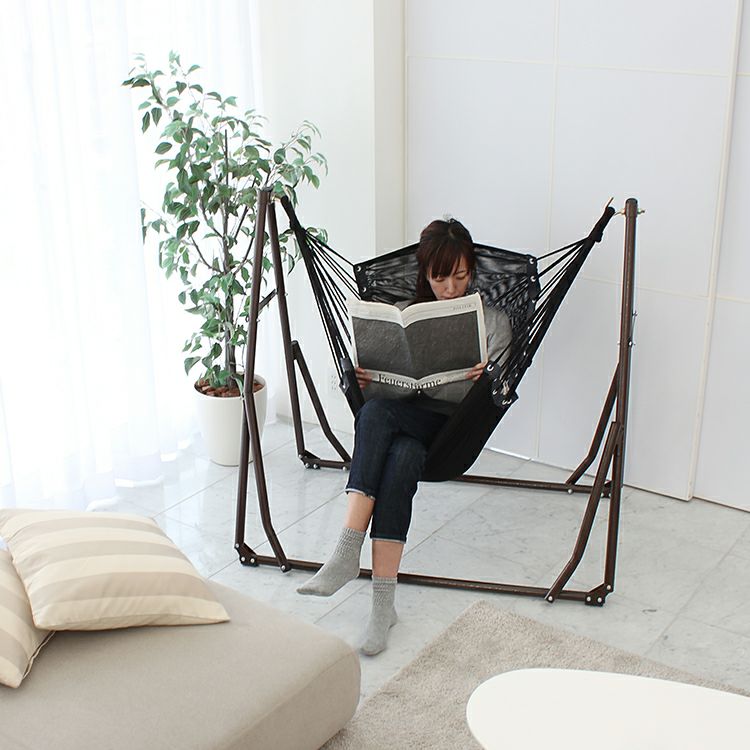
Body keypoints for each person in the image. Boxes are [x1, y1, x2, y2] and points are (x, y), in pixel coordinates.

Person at [297, 218, 512, 655]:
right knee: (401, 456)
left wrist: (487, 378)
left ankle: (346, 550)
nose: (450, 288)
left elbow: (498, 392)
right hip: (404, 421)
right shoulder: (403, 316)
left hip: (452, 430)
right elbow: (379, 386)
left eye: (460, 276)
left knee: (377, 415)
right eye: (440, 278)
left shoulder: (492, 323)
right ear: (425, 274)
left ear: (472, 271)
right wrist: (365, 377)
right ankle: (383, 607)